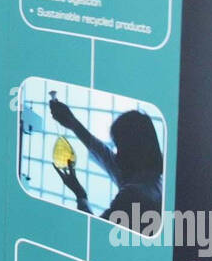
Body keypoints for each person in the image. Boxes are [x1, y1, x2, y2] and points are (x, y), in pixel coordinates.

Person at [47, 93, 163, 232]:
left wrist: (80, 195)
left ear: (136, 150)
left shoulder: (133, 195)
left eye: (121, 148)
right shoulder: (152, 179)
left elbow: (92, 234)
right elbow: (104, 155)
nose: (117, 157)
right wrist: (72, 123)